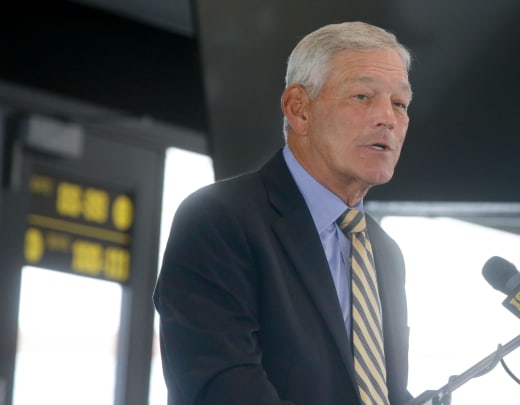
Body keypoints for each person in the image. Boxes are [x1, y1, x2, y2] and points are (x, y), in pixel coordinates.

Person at [153, 21, 414, 404]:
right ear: (299, 109)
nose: (388, 119)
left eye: (400, 103)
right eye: (362, 96)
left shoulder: (385, 253)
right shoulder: (219, 220)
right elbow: (223, 385)